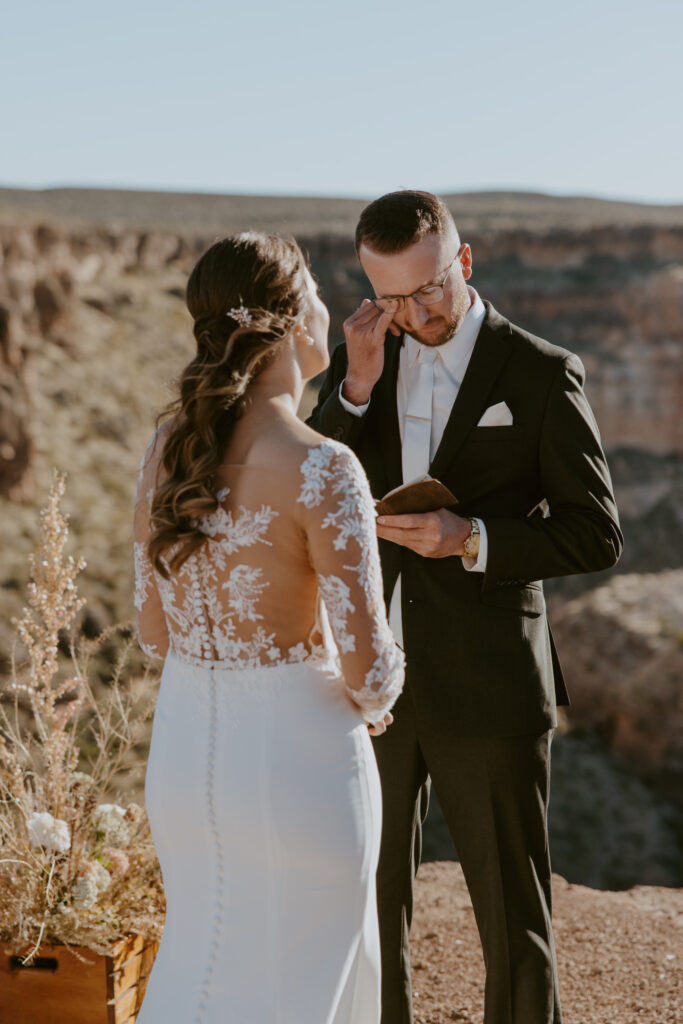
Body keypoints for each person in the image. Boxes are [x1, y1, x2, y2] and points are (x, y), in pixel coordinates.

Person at [307, 190, 623, 1024]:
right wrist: (356, 390)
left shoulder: (540, 371)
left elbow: (595, 536)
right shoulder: (363, 359)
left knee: (512, 923)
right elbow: (313, 479)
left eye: (431, 290)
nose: (415, 313)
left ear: (466, 262)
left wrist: (472, 536)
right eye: (393, 298)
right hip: (371, 685)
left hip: (489, 685)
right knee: (367, 908)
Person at [132, 232, 405, 1024]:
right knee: (301, 988)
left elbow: (155, 629)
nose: (328, 306)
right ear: (292, 321)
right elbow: (372, 677)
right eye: (317, 291)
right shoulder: (324, 466)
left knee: (199, 968)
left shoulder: (166, 452)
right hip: (301, 766)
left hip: (185, 756)